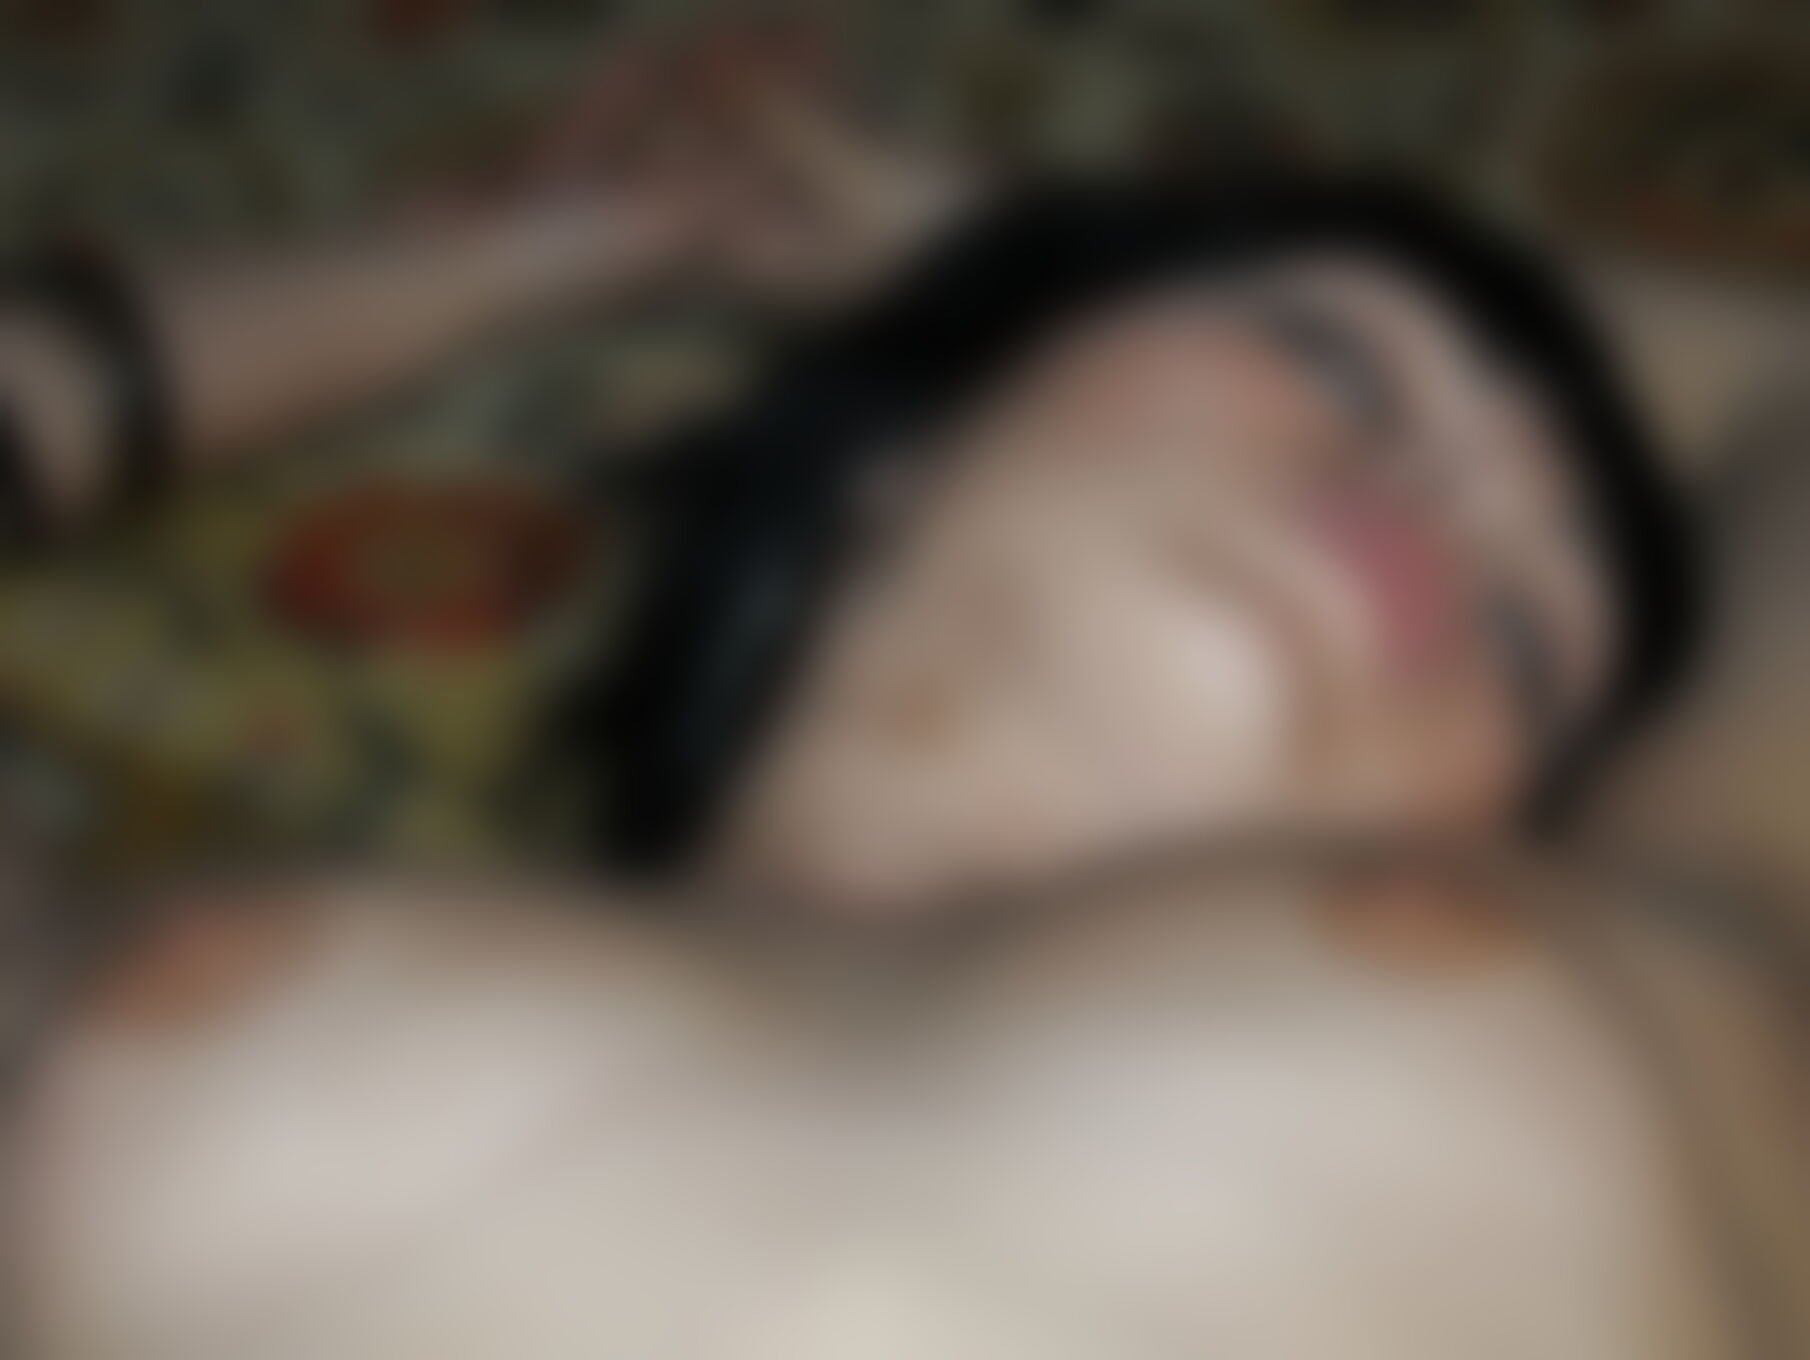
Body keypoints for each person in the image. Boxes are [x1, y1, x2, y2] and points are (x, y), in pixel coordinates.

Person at [1, 30, 1802, 1360]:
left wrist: (964, 224)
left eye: (1528, 637)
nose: (1467, 496)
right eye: (1329, 352)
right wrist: (550, 251)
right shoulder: (141, 939)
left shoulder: (1681, 966)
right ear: (901, 450)